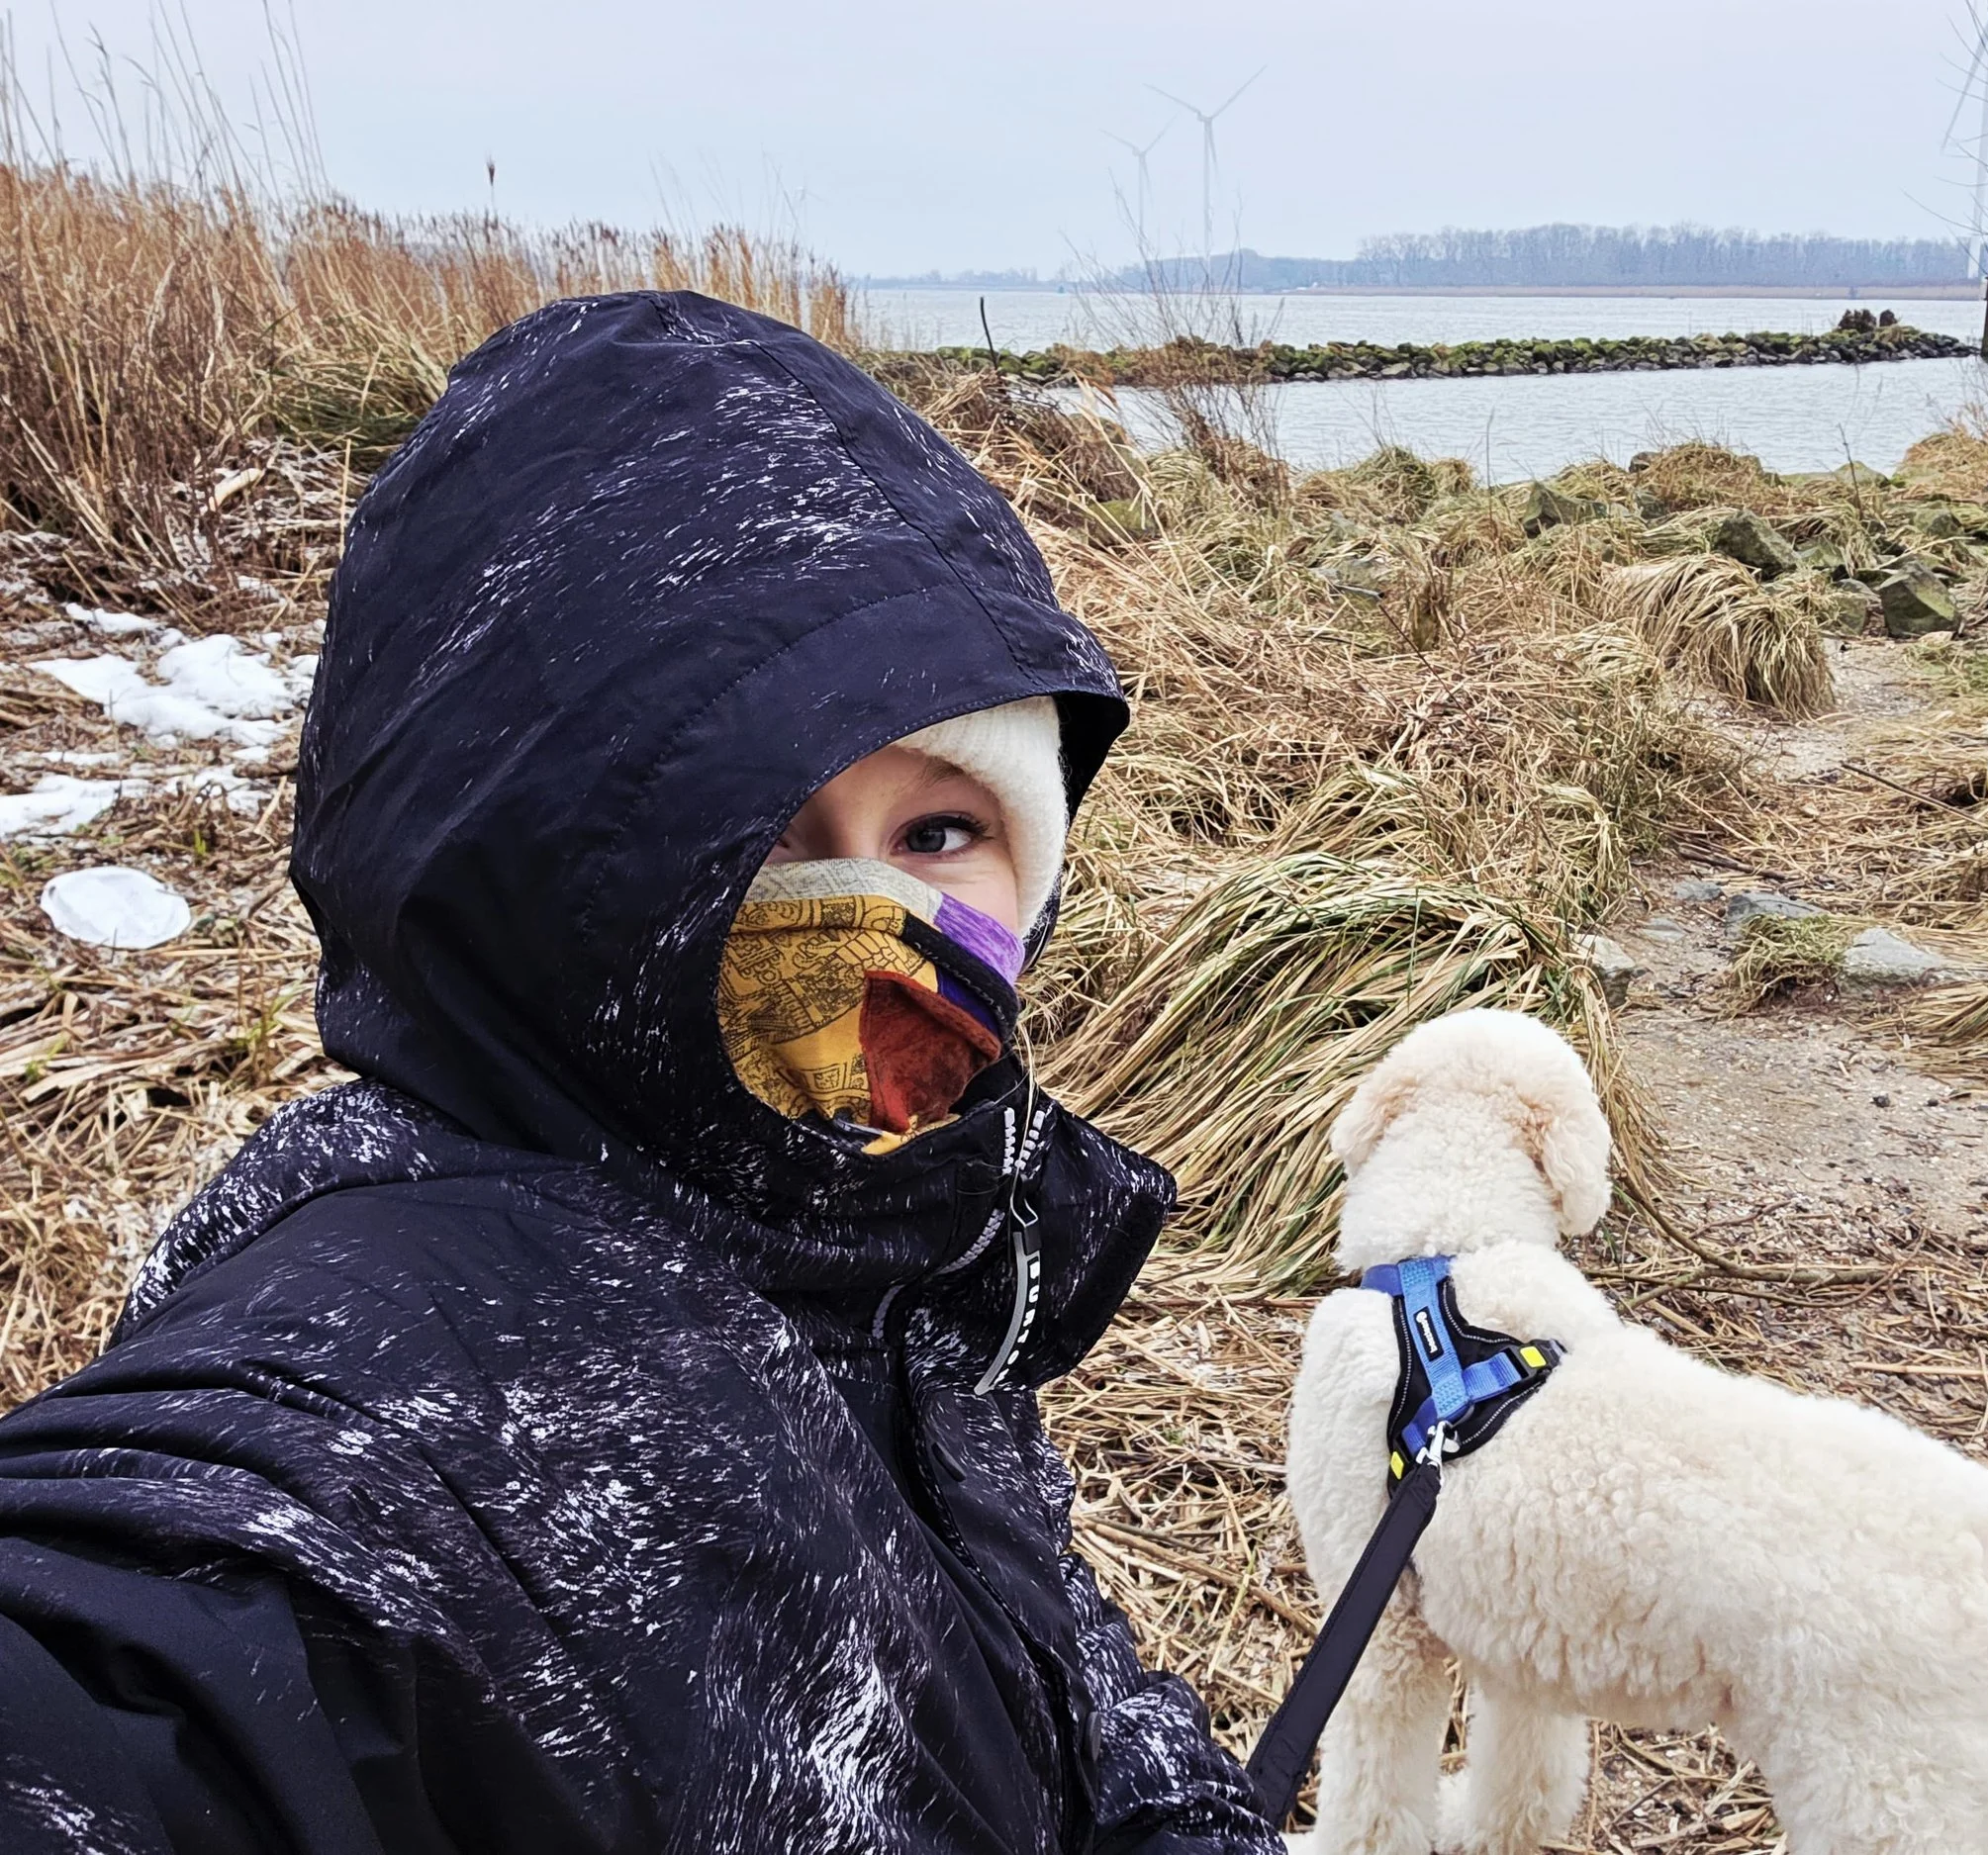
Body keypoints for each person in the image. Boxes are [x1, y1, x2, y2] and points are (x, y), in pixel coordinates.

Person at [0, 293, 1284, 1855]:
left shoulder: (894, 1217)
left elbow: (1057, 1668)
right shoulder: (386, 1378)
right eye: (760, 847)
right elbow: (159, 1677)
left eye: (942, 831)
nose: (876, 929)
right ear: (543, 891)